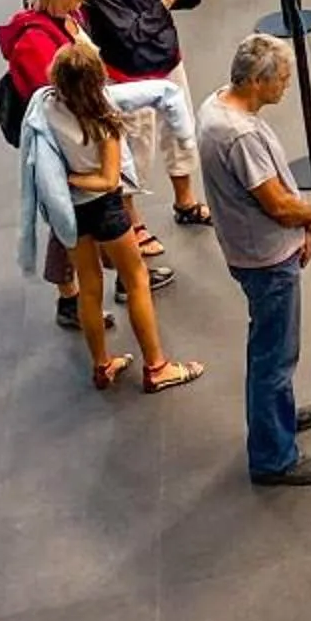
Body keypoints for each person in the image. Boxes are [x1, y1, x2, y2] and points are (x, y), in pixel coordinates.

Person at [0, 0, 183, 330]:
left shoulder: (69, 18)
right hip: (70, 144)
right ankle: (71, 296)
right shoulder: (34, 40)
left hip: (89, 133)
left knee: (93, 211)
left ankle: (109, 274)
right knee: (70, 222)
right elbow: (52, 100)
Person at [29, 46, 204, 395]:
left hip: (73, 213)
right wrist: (78, 180)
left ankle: (102, 364)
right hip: (105, 209)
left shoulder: (48, 108)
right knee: (136, 279)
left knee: (89, 288)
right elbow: (109, 181)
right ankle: (157, 366)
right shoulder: (104, 122)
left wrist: (64, 183)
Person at [197, 34, 311, 487]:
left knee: (271, 347)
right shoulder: (242, 135)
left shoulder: (216, 106)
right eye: (282, 78)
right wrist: (309, 217)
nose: (286, 86)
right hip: (267, 258)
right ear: (256, 81)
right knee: (274, 355)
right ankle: (274, 456)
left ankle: (279, 419)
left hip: (249, 248)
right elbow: (276, 203)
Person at [75, 0, 213, 232]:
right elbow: (129, 33)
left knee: (180, 132)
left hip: (167, 58)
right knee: (136, 148)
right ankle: (132, 223)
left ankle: (185, 200)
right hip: (130, 75)